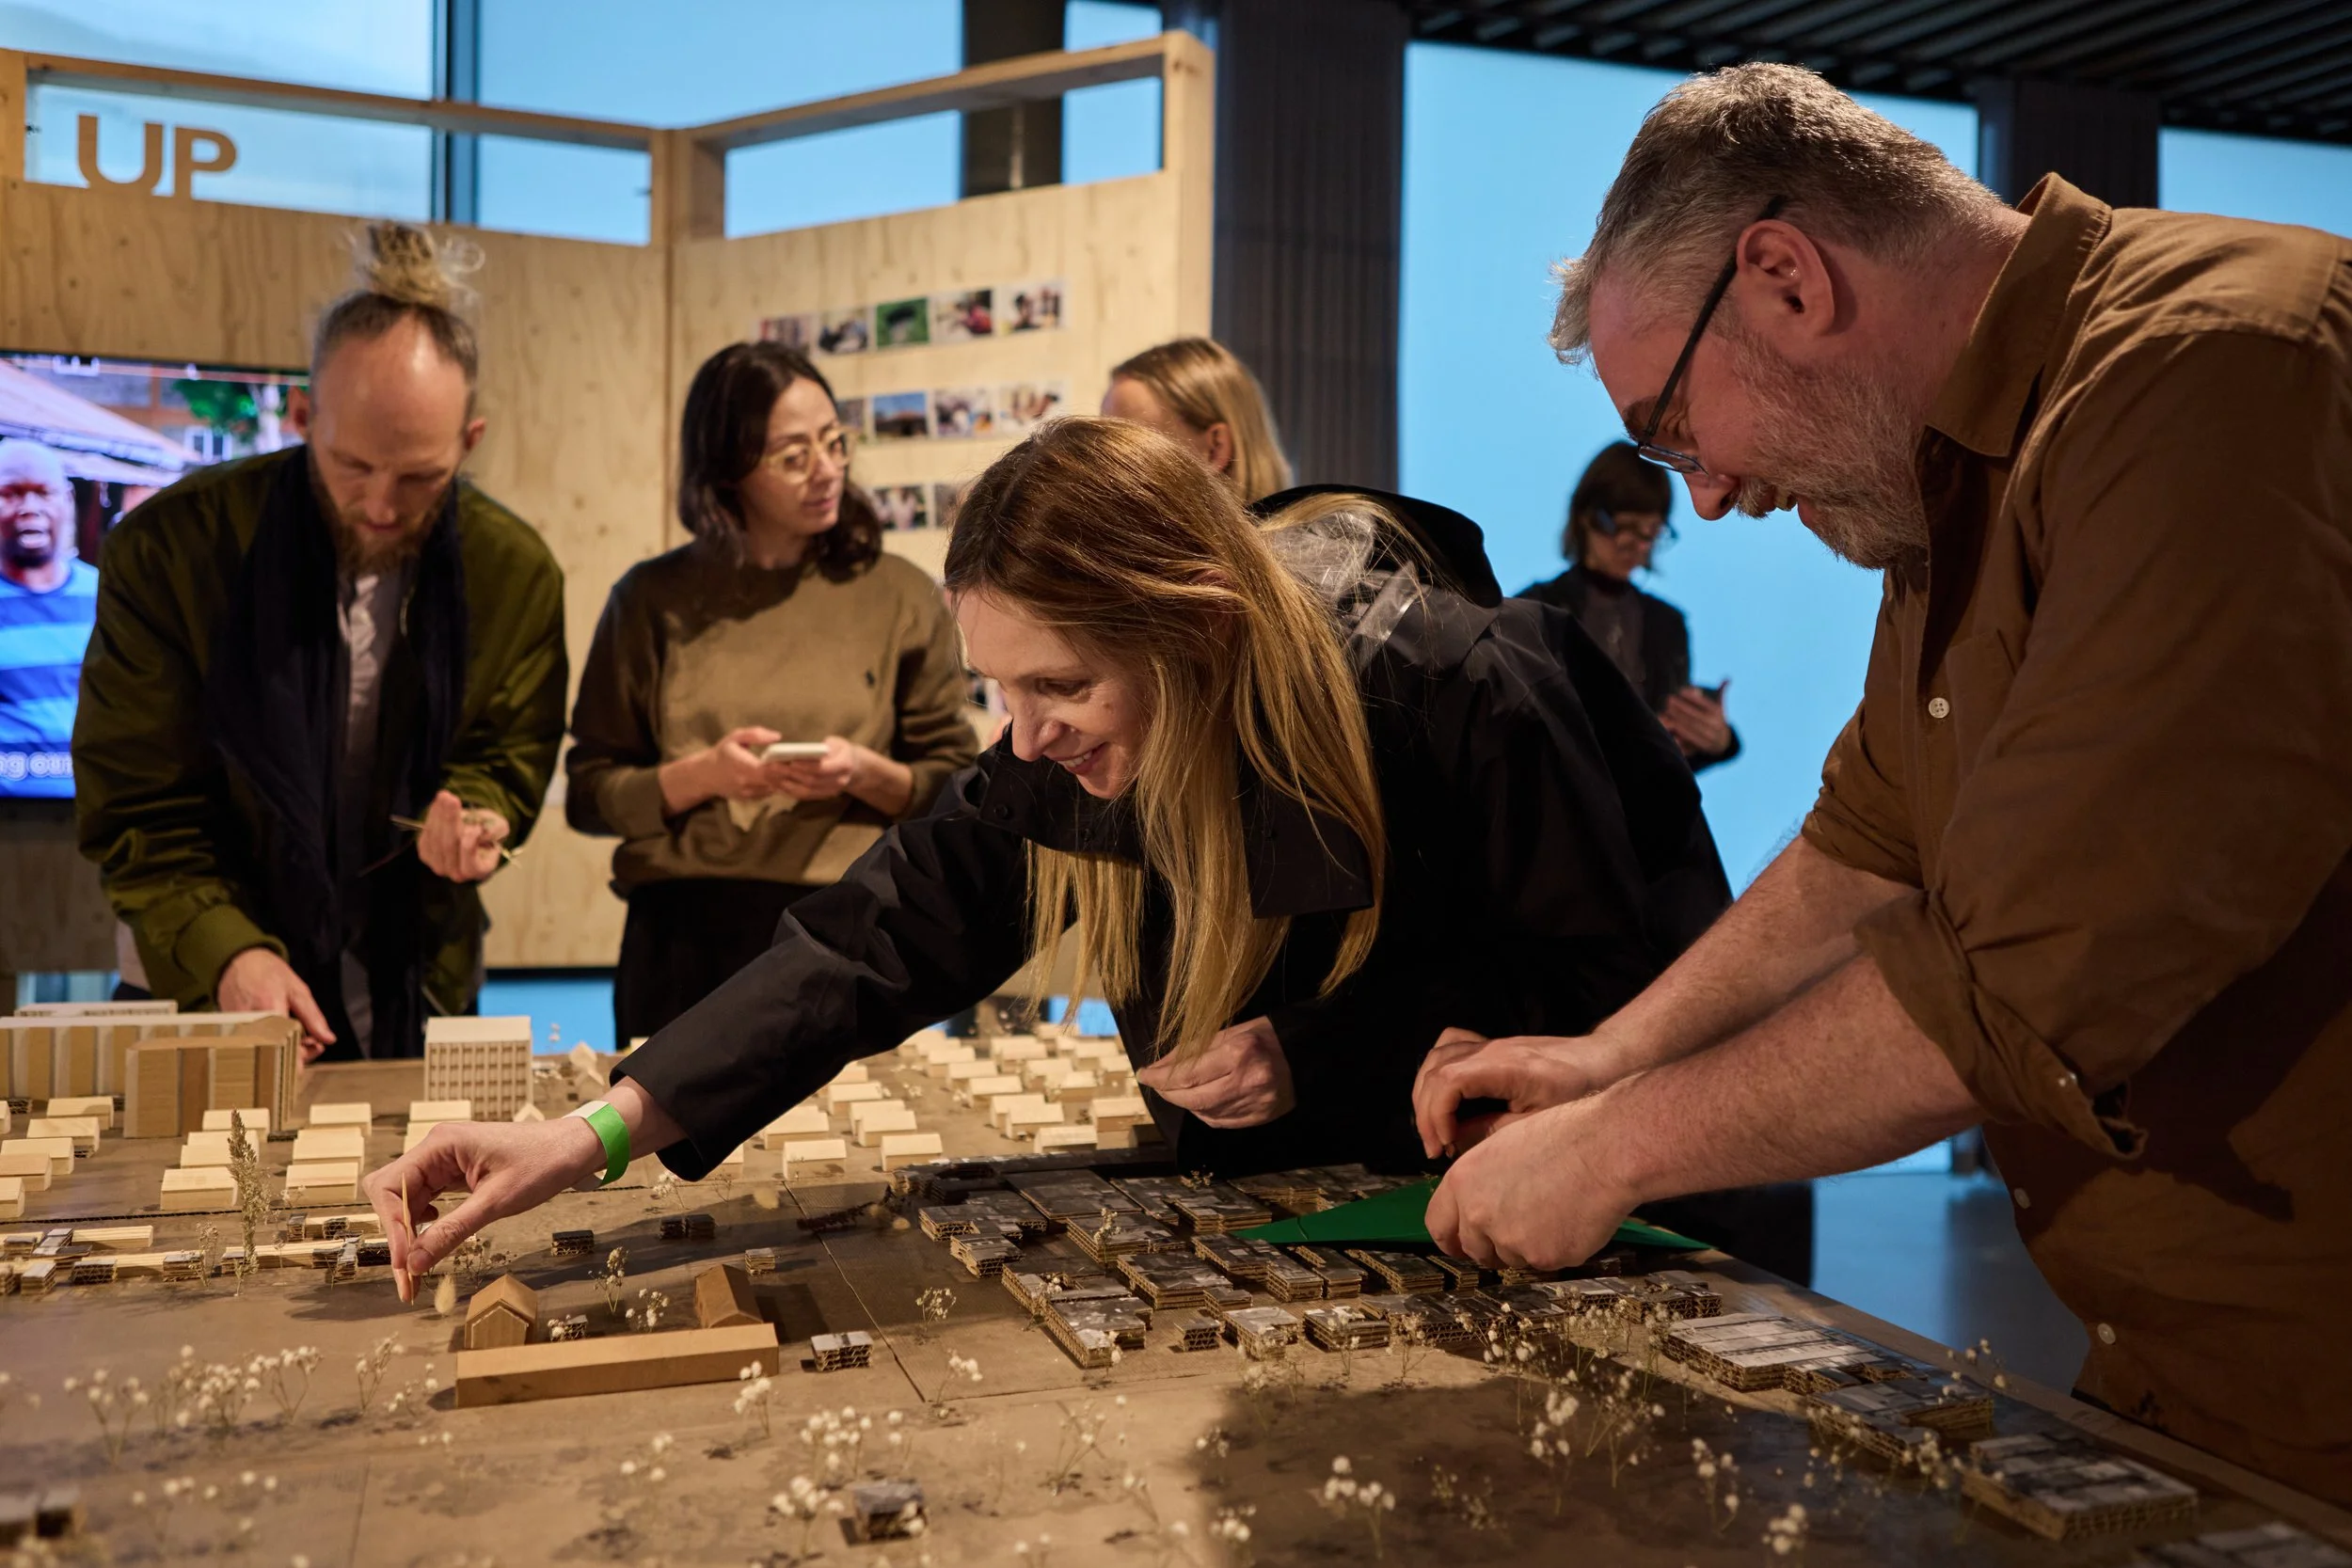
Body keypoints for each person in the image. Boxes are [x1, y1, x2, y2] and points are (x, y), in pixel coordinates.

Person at [1415, 64, 2352, 1504]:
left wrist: (1612, 1149)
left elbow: (2020, 977)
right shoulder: (1949, 477)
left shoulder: (2212, 369)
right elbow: (1871, 838)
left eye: (1674, 428)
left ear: (1785, 280)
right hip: (2187, 1376)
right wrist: (1613, 1055)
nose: (1707, 496)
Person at [368, 416, 1729, 1285]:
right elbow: (873, 936)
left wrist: (1323, 1049)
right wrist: (593, 1129)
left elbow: (1603, 997)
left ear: (1195, 627)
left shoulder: (1465, 688)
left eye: (1058, 688)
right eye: (998, 689)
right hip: (1310, 1208)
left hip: (1555, 1203)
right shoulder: (1071, 738)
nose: (1023, 738)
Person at [74, 222, 566, 1062]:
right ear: (302, 416)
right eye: (351, 466)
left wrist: (475, 814)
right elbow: (139, 808)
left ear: (470, 443)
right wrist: (229, 949)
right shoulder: (173, 550)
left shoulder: (513, 571)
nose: (381, 505)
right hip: (203, 971)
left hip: (417, 981)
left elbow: (505, 753)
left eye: (421, 478)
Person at [566, 341, 980, 1048]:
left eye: (834, 442)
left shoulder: (898, 596)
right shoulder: (650, 600)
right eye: (793, 456)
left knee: (856, 1149)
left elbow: (955, 782)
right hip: (684, 932)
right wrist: (708, 775)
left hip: (850, 915)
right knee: (671, 1148)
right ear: (728, 473)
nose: (828, 471)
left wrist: (863, 772)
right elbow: (589, 792)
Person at [1520, 442, 1739, 768]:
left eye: (1650, 533)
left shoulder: (1667, 624)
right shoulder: (1533, 612)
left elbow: (1669, 764)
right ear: (1588, 517)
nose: (1637, 547)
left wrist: (1716, 740)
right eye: (1626, 530)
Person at [0, 439, 96, 793]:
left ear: (68, 501)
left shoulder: (108, 598)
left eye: (44, 492)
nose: (29, 507)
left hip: (88, 828)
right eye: (10, 493)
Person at [1102, 337, 1294, 503]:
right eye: (1104, 441)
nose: (1103, 464)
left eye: (1131, 446)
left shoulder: (1299, 544)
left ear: (1214, 448)